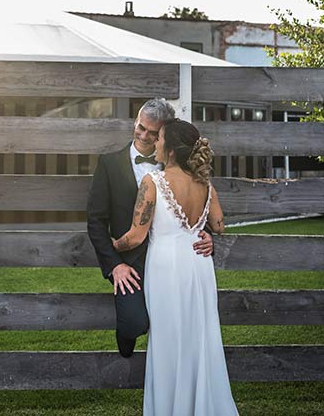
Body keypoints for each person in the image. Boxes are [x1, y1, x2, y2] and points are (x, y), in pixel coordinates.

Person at [112, 118, 239, 415]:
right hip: (198, 266)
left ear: (169, 150)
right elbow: (218, 225)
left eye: (160, 139)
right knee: (199, 337)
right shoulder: (205, 184)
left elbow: (135, 236)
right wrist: (202, 232)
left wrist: (112, 244)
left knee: (168, 341)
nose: (154, 142)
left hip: (166, 270)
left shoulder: (152, 182)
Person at [86, 99, 214, 359]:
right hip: (129, 264)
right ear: (136, 120)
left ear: (164, 135)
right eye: (140, 127)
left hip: (172, 265)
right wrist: (114, 265)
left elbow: (202, 210)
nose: (143, 135)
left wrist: (206, 235)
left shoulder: (181, 169)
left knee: (178, 331)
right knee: (134, 323)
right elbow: (96, 220)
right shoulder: (109, 163)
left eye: (152, 133)